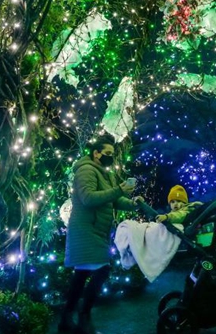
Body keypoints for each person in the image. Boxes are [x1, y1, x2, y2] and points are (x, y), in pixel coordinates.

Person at [59, 134, 143, 334]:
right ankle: (83, 315)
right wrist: (119, 190)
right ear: (96, 154)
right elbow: (88, 198)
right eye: (107, 154)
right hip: (86, 230)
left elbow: (113, 200)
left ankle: (67, 319)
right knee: (101, 271)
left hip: (96, 231)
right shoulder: (86, 170)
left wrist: (133, 203)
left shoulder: (107, 174)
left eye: (112, 154)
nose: (111, 157)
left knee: (81, 275)